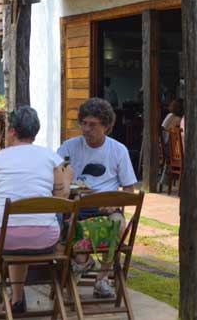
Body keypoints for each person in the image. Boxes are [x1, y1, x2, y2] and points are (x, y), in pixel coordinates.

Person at [0, 106, 72, 314]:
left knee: (15, 228)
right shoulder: (51, 158)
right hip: (44, 237)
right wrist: (68, 177)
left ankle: (17, 299)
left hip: (5, 237)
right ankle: (23, 296)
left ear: (13, 131)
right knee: (34, 224)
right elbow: (61, 199)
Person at [57, 97, 137, 299]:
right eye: (83, 123)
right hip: (75, 208)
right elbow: (56, 178)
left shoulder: (118, 150)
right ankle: (79, 267)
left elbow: (129, 190)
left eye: (92, 125)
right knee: (72, 230)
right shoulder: (69, 147)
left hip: (105, 209)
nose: (86, 129)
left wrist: (115, 204)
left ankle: (102, 278)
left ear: (107, 126)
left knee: (117, 224)